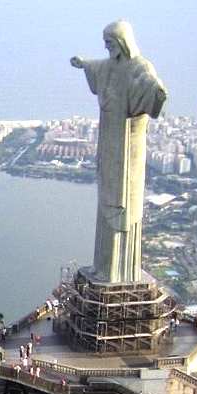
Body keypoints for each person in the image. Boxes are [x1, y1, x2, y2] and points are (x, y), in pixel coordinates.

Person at [71, 20, 167, 283]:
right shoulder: (110, 66)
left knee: (124, 203)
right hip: (109, 143)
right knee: (107, 200)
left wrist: (157, 92)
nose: (107, 47)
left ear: (123, 41)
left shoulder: (140, 67)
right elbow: (97, 67)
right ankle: (104, 268)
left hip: (128, 148)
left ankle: (121, 272)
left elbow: (152, 90)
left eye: (110, 43)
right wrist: (83, 63)